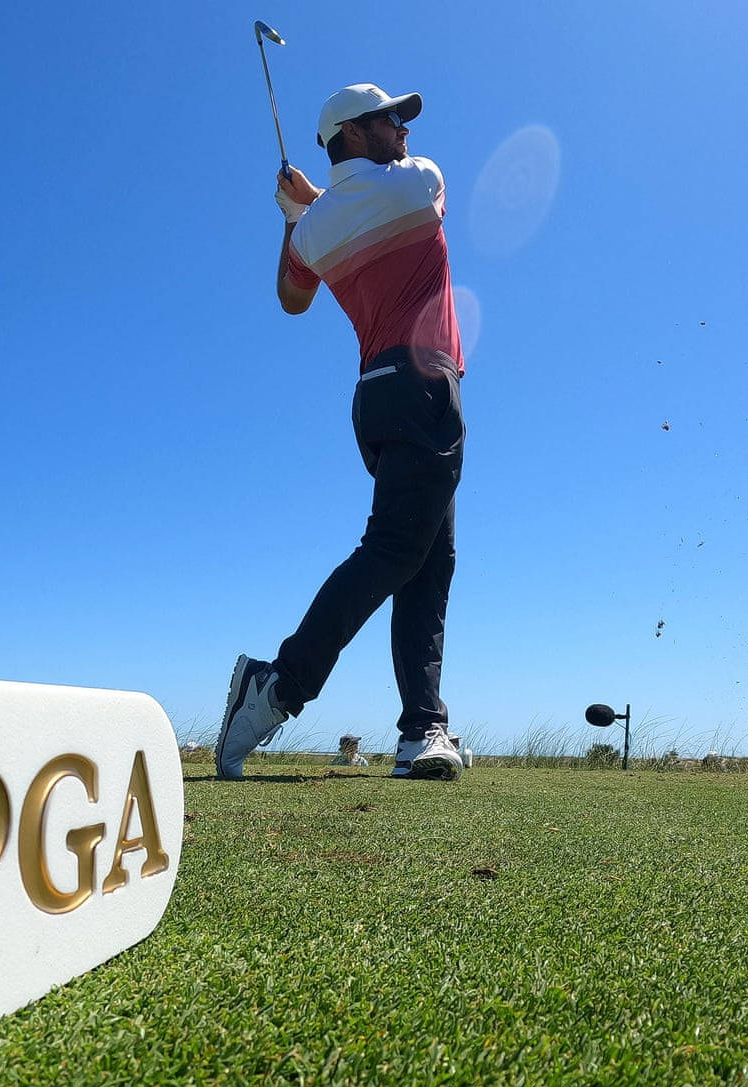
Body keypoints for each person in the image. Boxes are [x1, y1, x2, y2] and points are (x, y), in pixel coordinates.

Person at [215, 83, 466, 782]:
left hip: (375, 395)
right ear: (352, 134)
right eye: (389, 119)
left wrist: (296, 217)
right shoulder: (420, 183)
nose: (403, 129)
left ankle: (424, 728)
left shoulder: (314, 231)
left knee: (426, 560)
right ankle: (278, 686)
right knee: (395, 551)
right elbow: (411, 203)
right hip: (422, 385)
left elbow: (293, 298)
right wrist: (311, 209)